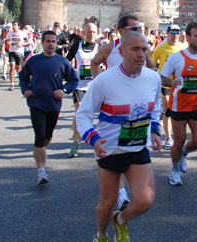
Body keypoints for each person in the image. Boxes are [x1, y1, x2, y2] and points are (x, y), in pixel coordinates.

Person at [76, 31, 162, 242]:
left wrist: (154, 130)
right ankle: (101, 235)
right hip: (111, 149)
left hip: (138, 147)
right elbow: (83, 115)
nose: (141, 54)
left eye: (144, 49)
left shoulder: (153, 78)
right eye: (135, 49)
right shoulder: (104, 80)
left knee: (145, 200)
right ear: (121, 51)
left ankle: (120, 221)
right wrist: (94, 140)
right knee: (108, 203)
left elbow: (155, 106)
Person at [90, 13, 157, 209]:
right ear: (121, 31)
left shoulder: (143, 50)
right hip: (113, 100)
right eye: (133, 29)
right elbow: (94, 63)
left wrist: (152, 83)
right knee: (115, 147)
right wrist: (98, 83)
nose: (138, 31)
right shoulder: (108, 48)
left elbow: (152, 69)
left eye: (139, 28)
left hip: (136, 98)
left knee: (145, 197)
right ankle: (119, 193)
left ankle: (120, 203)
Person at [19, 30, 78, 185]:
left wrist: (64, 90)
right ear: (42, 43)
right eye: (48, 41)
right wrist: (25, 90)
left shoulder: (62, 61)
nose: (51, 44)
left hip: (53, 105)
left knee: (48, 135)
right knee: (39, 136)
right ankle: (41, 171)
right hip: (36, 103)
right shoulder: (34, 60)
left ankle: (40, 151)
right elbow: (23, 76)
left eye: (53, 41)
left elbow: (73, 80)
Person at [159, 22, 197, 186]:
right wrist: (172, 82)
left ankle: (182, 154)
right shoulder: (176, 57)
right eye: (196, 36)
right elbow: (161, 77)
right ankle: (174, 169)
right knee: (179, 140)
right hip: (178, 106)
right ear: (187, 37)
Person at [66, 23, 100, 158]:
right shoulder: (77, 46)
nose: (91, 34)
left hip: (94, 86)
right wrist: (69, 75)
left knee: (95, 114)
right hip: (79, 85)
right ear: (84, 33)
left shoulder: (100, 48)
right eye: (89, 32)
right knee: (79, 111)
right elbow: (66, 61)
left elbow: (106, 65)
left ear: (96, 33)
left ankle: (98, 139)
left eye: (93, 32)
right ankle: (75, 141)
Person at [152, 24, 185, 150]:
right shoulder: (160, 48)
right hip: (165, 82)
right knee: (167, 107)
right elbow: (152, 63)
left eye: (178, 32)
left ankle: (178, 136)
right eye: (173, 32)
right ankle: (168, 137)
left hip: (179, 83)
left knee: (178, 110)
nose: (176, 35)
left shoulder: (183, 47)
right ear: (167, 33)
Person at [6, 21, 29, 91]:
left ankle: (23, 79)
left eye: (15, 25)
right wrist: (8, 43)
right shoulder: (9, 33)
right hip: (12, 51)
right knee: (12, 67)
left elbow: (28, 42)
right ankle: (12, 84)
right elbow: (6, 41)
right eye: (13, 25)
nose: (13, 26)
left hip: (19, 52)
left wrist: (22, 44)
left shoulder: (22, 33)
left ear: (19, 26)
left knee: (18, 69)